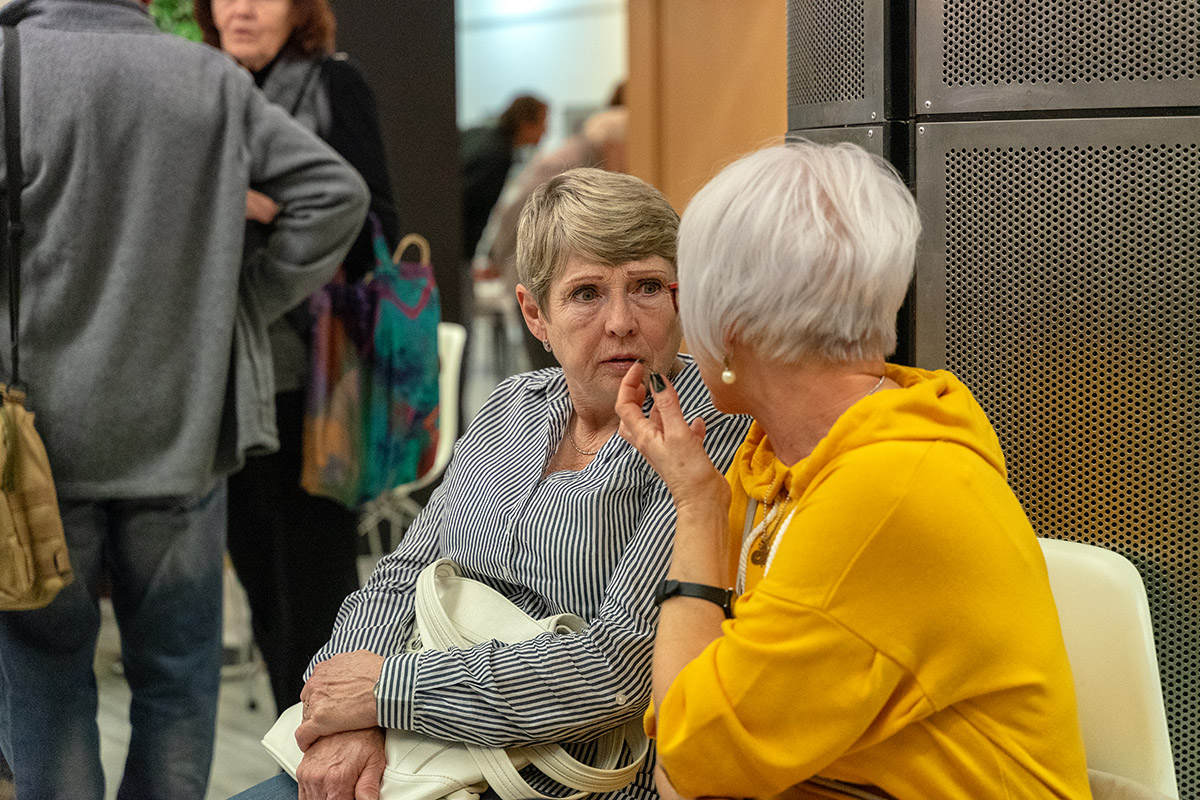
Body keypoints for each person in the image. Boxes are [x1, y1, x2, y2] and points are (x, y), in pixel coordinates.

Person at [230, 168, 751, 800]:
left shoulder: (709, 433)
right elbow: (402, 574)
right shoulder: (513, 407)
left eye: (646, 287)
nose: (620, 321)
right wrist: (353, 721)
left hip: (566, 777)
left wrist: (386, 694)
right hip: (423, 747)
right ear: (535, 313)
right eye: (586, 293)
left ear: (681, 298)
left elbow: (616, 668)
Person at [615, 142, 1093, 799]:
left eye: (678, 290)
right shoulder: (785, 455)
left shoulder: (884, 492)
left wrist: (698, 510)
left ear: (729, 328)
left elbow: (690, 750)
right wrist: (701, 494)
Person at [0, 0, 369, 798]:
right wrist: (240, 304)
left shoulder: (9, 66)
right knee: (176, 682)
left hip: (37, 449)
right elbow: (337, 194)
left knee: (46, 680)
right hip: (182, 436)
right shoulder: (206, 75)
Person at [193, 0, 402, 718]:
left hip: (317, 374)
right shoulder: (205, 83)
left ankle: (327, 735)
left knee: (314, 580)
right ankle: (294, 736)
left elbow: (378, 225)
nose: (241, 7)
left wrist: (269, 208)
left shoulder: (330, 82)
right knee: (256, 571)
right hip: (225, 367)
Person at [488, 105, 629, 371]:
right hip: (536, 272)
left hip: (556, 274)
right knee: (550, 366)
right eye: (626, 148)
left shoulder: (586, 158)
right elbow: (513, 212)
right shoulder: (567, 163)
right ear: (611, 144)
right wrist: (495, 258)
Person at [460, 93, 548, 262]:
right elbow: (470, 206)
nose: (545, 131)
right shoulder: (497, 155)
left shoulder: (483, 133)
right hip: (455, 246)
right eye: (542, 123)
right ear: (525, 123)